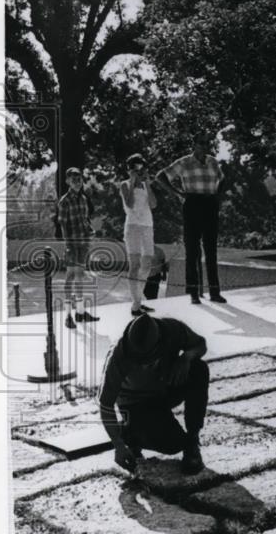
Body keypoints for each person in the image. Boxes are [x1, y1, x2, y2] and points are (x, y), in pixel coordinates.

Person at [97, 313, 209, 475]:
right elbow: (105, 404)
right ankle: (129, 431)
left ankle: (192, 440)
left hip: (164, 389)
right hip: (137, 403)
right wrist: (118, 445)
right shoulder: (118, 355)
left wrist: (186, 357)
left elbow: (200, 344)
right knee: (173, 444)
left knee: (198, 369)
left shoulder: (173, 330)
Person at [158, 134, 226, 304]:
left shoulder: (213, 162)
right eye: (201, 143)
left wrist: (218, 196)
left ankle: (214, 292)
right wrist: (177, 193)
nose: (204, 146)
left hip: (210, 203)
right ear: (194, 144)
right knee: (192, 250)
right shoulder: (184, 162)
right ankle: (194, 292)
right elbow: (161, 176)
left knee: (211, 250)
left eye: (206, 143)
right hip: (192, 203)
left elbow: (222, 179)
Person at [56, 167, 100, 329]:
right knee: (70, 276)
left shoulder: (83, 198)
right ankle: (68, 315)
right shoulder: (64, 200)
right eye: (73, 179)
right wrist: (68, 245)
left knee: (80, 275)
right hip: (72, 243)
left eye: (79, 179)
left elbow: (85, 219)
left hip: (83, 242)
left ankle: (80, 313)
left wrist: (90, 232)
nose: (77, 182)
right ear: (67, 181)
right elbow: (63, 225)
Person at [120, 154, 157, 317]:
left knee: (147, 264)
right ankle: (136, 305)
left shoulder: (145, 185)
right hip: (133, 226)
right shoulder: (125, 185)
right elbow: (129, 204)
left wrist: (147, 183)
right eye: (135, 167)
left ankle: (138, 299)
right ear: (129, 169)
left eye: (140, 167)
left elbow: (154, 204)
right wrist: (134, 182)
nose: (138, 170)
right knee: (134, 265)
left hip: (147, 225)